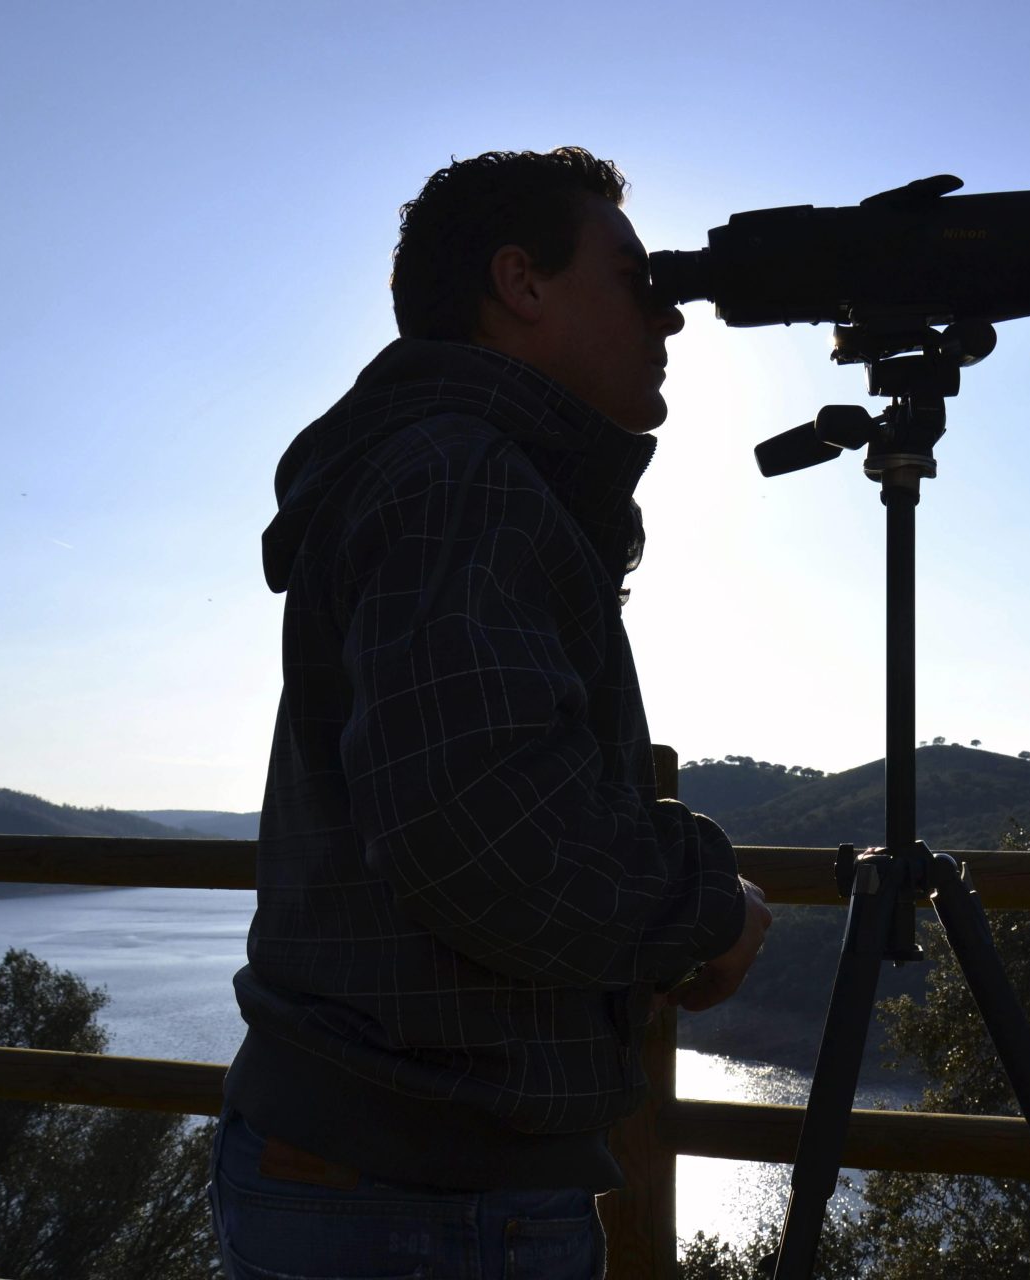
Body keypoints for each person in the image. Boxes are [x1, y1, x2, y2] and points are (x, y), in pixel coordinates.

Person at [210, 148, 770, 1280]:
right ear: (521, 283)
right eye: (634, 278)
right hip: (425, 1203)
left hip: (376, 1173)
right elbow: (486, 830)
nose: (669, 313)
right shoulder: (462, 475)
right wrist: (709, 904)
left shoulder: (438, 464)